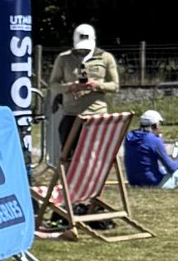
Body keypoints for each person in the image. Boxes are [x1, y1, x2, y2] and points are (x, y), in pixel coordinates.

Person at [41, 20, 120, 171]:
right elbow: (53, 85)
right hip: (71, 113)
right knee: (68, 153)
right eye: (80, 49)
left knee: (95, 153)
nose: (82, 52)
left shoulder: (105, 57)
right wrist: (71, 87)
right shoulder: (63, 58)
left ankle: (91, 182)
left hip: (96, 114)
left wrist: (97, 85)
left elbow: (115, 86)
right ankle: (71, 183)